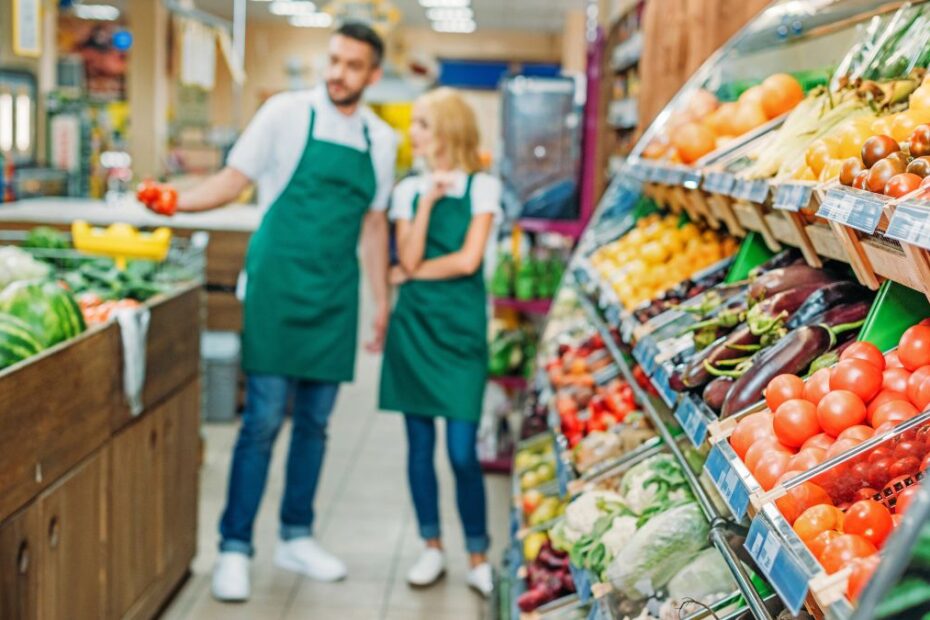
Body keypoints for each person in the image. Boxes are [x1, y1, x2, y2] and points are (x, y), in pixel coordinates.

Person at [154, 23, 398, 602]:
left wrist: (380, 304)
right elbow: (234, 181)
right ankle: (234, 546)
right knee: (261, 421)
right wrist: (179, 202)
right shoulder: (285, 115)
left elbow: (372, 225)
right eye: (334, 60)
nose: (338, 72)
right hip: (278, 289)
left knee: (315, 424)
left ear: (373, 75)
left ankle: (296, 533)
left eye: (353, 65)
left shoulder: (380, 141)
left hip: (336, 298)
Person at [379, 88, 500, 597]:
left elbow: (468, 261)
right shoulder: (408, 191)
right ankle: (431, 547)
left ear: (449, 129)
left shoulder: (483, 188)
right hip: (415, 331)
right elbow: (404, 258)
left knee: (460, 452)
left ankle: (477, 553)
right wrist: (427, 201)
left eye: (423, 123)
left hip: (461, 331)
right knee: (418, 447)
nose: (415, 133)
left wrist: (409, 274)